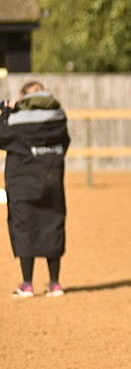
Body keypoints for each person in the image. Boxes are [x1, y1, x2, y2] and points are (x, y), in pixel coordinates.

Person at [0, 81, 69, 297]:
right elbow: (65, 143)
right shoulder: (59, 119)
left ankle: (27, 284)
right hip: (51, 181)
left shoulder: (17, 122)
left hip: (23, 185)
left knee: (24, 228)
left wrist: (6, 112)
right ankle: (55, 283)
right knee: (53, 226)